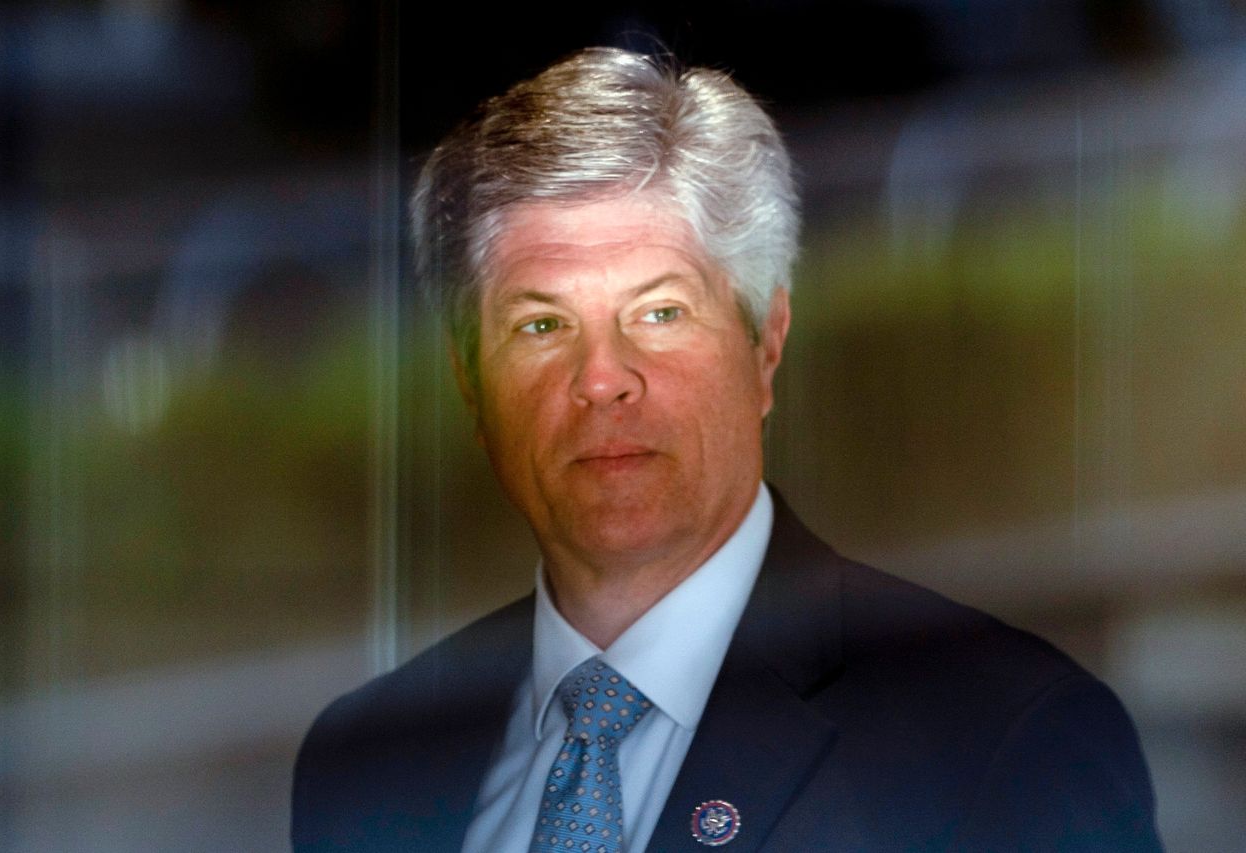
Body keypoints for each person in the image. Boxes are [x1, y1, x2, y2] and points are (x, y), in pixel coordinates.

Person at [292, 47, 1161, 852]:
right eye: (543, 325)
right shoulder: (363, 762)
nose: (603, 378)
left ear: (766, 342)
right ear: (470, 382)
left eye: (660, 312)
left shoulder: (1004, 742)